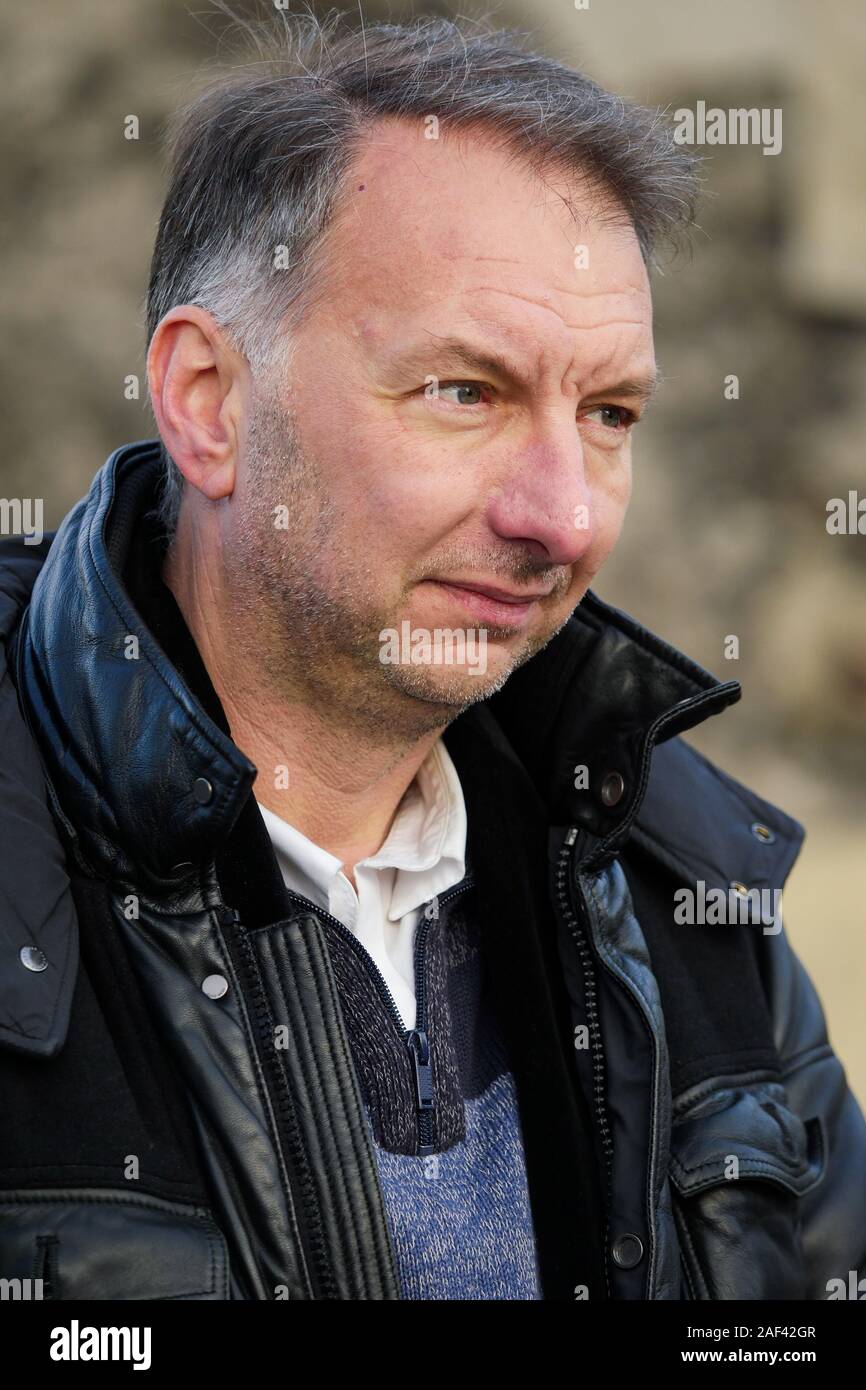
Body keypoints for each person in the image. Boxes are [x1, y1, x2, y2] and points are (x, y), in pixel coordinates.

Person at [0, 11, 863, 1301]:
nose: (563, 517)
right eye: (466, 392)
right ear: (207, 402)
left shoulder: (680, 880)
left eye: (610, 412)